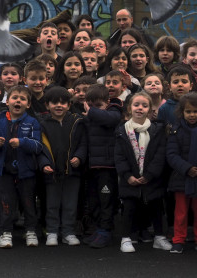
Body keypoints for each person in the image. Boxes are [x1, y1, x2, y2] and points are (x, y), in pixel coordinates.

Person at [114, 91, 172, 253]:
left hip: (151, 178)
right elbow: (119, 156)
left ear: (150, 109)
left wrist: (149, 175)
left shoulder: (156, 130)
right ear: (129, 108)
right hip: (130, 178)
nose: (140, 108)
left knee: (156, 207)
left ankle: (159, 237)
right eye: (136, 105)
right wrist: (127, 175)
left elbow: (160, 155)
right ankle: (126, 238)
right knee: (129, 207)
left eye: (144, 105)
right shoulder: (121, 131)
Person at [0, 85, 43, 248]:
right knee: (6, 202)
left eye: (23, 98)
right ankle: (6, 232)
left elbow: (38, 146)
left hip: (26, 171)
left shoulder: (32, 122)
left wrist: (23, 142)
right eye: (15, 97)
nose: (18, 101)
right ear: (7, 101)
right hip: (4, 170)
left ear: (28, 104)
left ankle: (31, 230)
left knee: (28, 202)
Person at [165, 92, 197, 254]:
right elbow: (171, 155)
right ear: (182, 112)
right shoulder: (176, 130)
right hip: (182, 178)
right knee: (180, 212)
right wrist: (187, 169)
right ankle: (178, 240)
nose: (192, 115)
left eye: (195, 111)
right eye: (188, 112)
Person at [38, 86, 86, 247]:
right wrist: (44, 164)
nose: (59, 105)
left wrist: (79, 156)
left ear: (69, 104)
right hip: (51, 172)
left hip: (72, 172)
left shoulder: (77, 121)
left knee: (70, 204)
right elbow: (40, 148)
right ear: (47, 105)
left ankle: (68, 232)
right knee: (52, 204)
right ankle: (52, 231)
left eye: (63, 102)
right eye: (54, 102)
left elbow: (83, 143)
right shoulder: (42, 124)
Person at [82, 83, 122, 248]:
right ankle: (99, 229)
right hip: (92, 166)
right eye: (91, 106)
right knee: (95, 201)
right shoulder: (89, 117)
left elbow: (109, 119)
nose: (94, 110)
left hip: (108, 166)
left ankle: (106, 231)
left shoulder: (114, 111)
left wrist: (91, 111)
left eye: (98, 106)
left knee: (106, 201)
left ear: (107, 101)